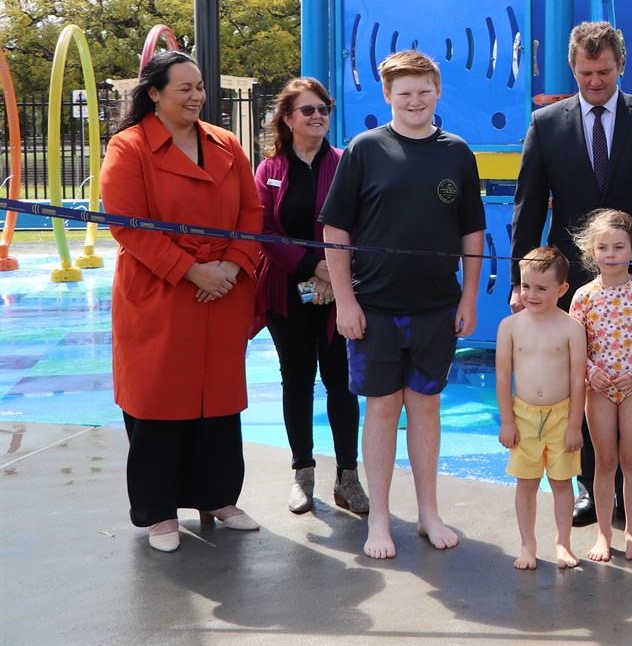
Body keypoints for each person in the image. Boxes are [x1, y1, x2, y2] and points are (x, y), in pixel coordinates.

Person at [511, 20, 632, 535]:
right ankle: (593, 487)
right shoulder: (546, 124)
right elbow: (527, 209)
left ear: (621, 67)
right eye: (587, 72)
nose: (596, 81)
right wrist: (525, 286)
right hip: (569, 285)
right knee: (580, 385)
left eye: (605, 71)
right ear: (573, 68)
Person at [321, 50, 485, 560]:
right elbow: (336, 230)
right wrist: (345, 302)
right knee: (383, 409)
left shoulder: (456, 151)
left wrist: (469, 296)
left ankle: (429, 513)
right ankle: (380, 520)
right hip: (375, 308)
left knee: (427, 409)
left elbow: (472, 231)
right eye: (404, 92)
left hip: (436, 306)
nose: (415, 100)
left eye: (423, 90)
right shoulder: (365, 149)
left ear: (437, 92)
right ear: (387, 96)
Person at [100, 50, 263, 553]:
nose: (197, 96)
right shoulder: (128, 147)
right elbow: (127, 223)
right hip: (161, 292)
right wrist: (191, 270)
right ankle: (158, 512)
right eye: (184, 89)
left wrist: (231, 268)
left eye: (199, 87)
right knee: (158, 403)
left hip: (222, 291)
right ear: (154, 93)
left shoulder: (227, 144)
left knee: (218, 402)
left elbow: (251, 211)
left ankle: (217, 496)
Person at [253, 77, 367, 517]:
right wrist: (310, 266)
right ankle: (303, 473)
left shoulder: (344, 164)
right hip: (286, 290)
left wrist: (331, 273)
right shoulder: (270, 170)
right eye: (308, 110)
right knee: (296, 381)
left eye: (323, 109)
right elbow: (263, 230)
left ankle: (348, 477)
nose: (317, 116)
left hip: (339, 290)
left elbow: (360, 223)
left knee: (342, 382)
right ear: (287, 118)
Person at [569, 209, 632, 563]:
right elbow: (574, 345)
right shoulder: (582, 296)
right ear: (591, 252)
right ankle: (602, 533)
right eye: (603, 247)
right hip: (598, 389)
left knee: (631, 460)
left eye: (618, 247)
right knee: (603, 461)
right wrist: (589, 371)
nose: (610, 254)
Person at [496, 246, 587, 571]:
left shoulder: (572, 328)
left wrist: (575, 425)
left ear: (562, 289)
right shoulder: (510, 326)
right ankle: (527, 543)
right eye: (525, 286)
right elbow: (503, 375)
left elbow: (579, 381)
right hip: (523, 415)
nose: (530, 294)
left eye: (541, 288)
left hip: (561, 416)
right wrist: (507, 421)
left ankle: (563, 541)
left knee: (562, 483)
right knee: (526, 482)